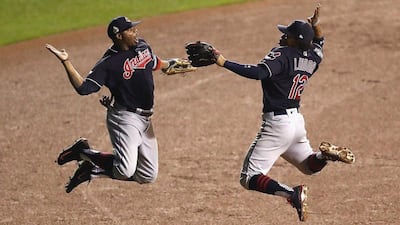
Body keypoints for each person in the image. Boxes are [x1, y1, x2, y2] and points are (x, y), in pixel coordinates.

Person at [194, 6, 355, 221]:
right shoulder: (313, 59)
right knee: (309, 165)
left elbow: (259, 72)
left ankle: (292, 194)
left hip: (278, 124)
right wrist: (315, 26)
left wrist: (222, 61)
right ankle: (323, 155)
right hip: (296, 123)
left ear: (294, 41)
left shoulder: (283, 54)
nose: (282, 37)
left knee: (249, 177)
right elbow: (320, 43)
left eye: (286, 35)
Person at [46, 16, 191, 193]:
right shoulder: (108, 63)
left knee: (148, 175)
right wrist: (66, 62)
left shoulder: (142, 46)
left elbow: (157, 63)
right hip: (124, 117)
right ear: (119, 36)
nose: (135, 32)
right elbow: (84, 88)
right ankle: (83, 152)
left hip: (146, 119)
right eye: (130, 30)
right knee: (125, 170)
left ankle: (90, 170)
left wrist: (180, 64)